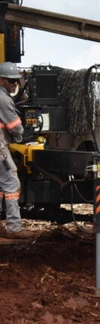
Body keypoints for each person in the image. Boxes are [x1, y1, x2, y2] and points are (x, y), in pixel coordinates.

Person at [0, 62, 36, 240]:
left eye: (16, 81)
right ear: (1, 80)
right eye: (10, 80)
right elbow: (16, 128)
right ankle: (14, 227)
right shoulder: (3, 99)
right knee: (12, 184)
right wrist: (24, 133)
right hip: (0, 150)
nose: (14, 84)